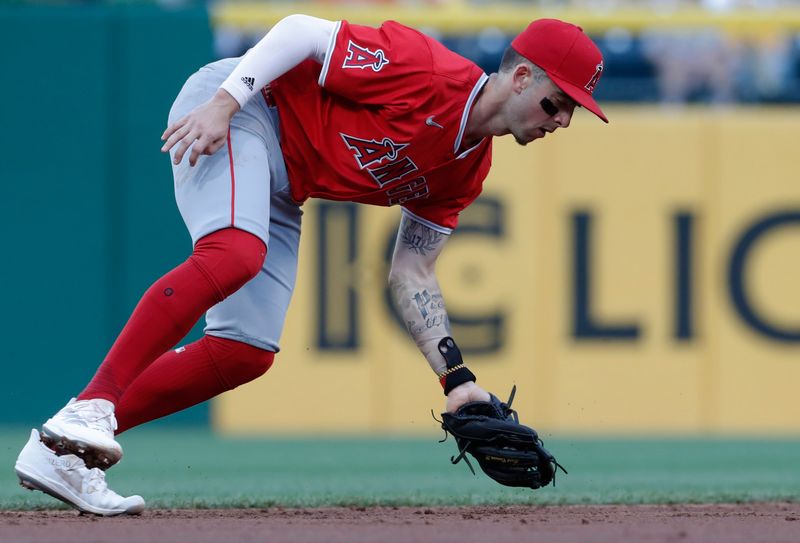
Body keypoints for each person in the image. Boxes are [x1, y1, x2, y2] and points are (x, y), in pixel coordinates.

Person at [14, 15, 607, 516]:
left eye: (573, 113)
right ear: (522, 75)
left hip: (284, 181)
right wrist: (225, 102)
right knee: (234, 254)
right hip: (245, 108)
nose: (561, 121)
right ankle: (89, 407)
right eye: (559, 102)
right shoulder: (428, 72)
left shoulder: (467, 171)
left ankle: (66, 451)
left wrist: (456, 380)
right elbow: (300, 32)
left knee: (244, 350)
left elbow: (412, 272)